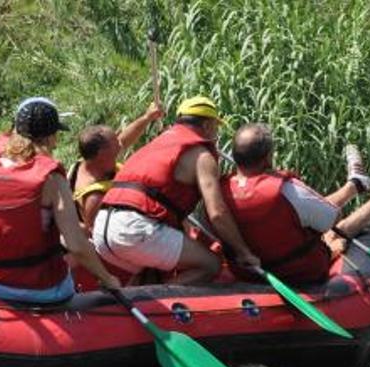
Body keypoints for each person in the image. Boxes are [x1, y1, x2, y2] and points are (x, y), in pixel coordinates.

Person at [0, 97, 121, 303]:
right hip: (43, 290)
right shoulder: (52, 178)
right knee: (79, 248)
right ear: (51, 137)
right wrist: (108, 279)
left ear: (15, 130)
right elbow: (76, 245)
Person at [93, 96, 260, 284]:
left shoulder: (159, 142)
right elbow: (217, 213)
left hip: (102, 230)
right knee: (211, 265)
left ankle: (137, 298)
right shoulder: (202, 155)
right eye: (215, 126)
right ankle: (158, 303)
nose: (215, 132)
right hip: (132, 230)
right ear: (206, 125)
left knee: (150, 270)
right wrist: (243, 252)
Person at [220, 123, 370, 285]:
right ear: (268, 157)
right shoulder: (288, 190)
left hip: (247, 272)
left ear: (235, 155)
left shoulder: (219, 193)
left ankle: (355, 184)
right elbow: (334, 217)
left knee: (307, 214)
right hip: (296, 271)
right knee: (336, 231)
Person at [70, 101, 164, 231]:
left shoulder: (93, 160)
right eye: (115, 144)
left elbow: (124, 140)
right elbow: (102, 235)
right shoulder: (94, 198)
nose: (120, 145)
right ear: (102, 154)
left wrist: (147, 117)